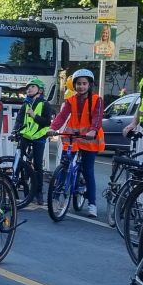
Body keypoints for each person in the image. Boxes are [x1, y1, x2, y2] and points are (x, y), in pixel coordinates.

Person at [48, 68, 105, 218]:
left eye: (84, 83)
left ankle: (92, 204)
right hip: (72, 138)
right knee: (64, 166)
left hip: (89, 139)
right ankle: (57, 195)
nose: (81, 86)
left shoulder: (96, 100)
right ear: (74, 86)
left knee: (87, 171)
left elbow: (98, 118)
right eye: (78, 84)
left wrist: (93, 130)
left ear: (89, 85)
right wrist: (53, 128)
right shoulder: (70, 101)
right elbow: (61, 116)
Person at [14, 78, 52, 205]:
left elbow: (47, 122)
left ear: (39, 90)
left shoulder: (45, 104)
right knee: (18, 161)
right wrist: (15, 131)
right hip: (25, 135)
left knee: (38, 166)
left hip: (39, 137)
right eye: (28, 87)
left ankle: (39, 193)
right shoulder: (26, 104)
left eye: (32, 87)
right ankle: (18, 185)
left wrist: (34, 115)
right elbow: (19, 119)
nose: (29, 89)